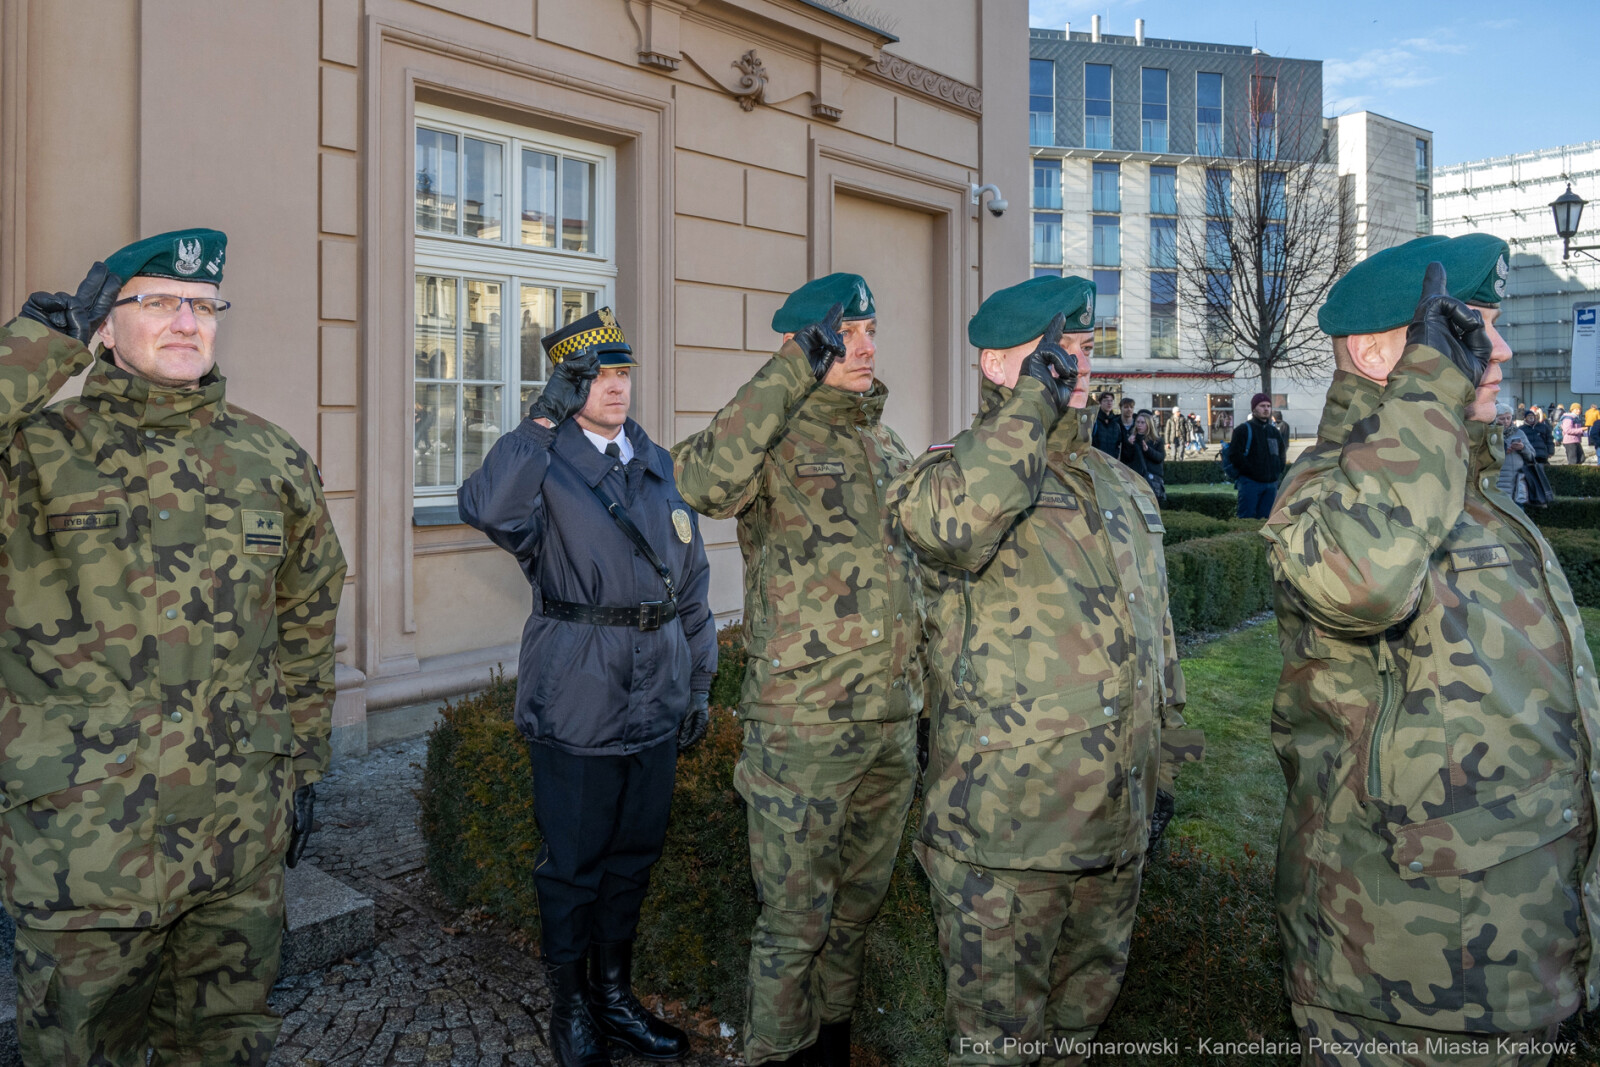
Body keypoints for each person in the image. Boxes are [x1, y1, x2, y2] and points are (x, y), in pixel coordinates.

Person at [0, 230, 347, 1064]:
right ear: (103, 329)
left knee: (225, 1045)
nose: (185, 319)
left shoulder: (269, 457)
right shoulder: (34, 453)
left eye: (202, 304)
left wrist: (300, 764)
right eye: (156, 301)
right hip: (88, 846)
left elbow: (307, 619)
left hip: (238, 837)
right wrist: (36, 351)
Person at [1266, 233, 1600, 1064]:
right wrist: (1428, 386)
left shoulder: (1467, 483)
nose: (1499, 348)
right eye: (1467, 326)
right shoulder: (1331, 487)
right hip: (1407, 979)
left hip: (1514, 953)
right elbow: (1363, 576)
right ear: (1382, 351)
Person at [889, 276, 1202, 1065]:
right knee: (997, 1048)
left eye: (1087, 349)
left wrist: (1161, 777)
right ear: (999, 366)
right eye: (1057, 352)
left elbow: (1157, 644)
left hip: (1114, 829)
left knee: (1077, 1036)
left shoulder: (1124, 487)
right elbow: (957, 526)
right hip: (1006, 840)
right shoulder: (945, 478)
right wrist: (1033, 403)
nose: (1078, 365)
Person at [671, 274, 923, 1067]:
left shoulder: (886, 442)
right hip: (804, 725)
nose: (867, 347)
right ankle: (773, 1052)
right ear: (802, 343)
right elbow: (699, 479)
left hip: (888, 723)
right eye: (845, 334)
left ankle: (829, 1048)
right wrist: (789, 374)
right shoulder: (771, 439)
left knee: (854, 914)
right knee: (793, 923)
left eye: (871, 330)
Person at [459, 309, 717, 1067]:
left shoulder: (657, 461)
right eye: (597, 375)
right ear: (570, 384)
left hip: (657, 693)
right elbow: (485, 506)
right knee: (572, 865)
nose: (615, 387)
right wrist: (541, 414)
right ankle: (570, 1006)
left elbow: (691, 582)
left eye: (622, 372)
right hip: (579, 692)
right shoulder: (543, 464)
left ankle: (614, 996)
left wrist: (698, 682)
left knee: (634, 855)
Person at [1226, 392, 1287, 519]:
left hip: (1271, 484)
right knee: (1246, 518)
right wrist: (1251, 471)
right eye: (1262, 406)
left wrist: (1277, 470)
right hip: (1250, 483)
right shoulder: (1242, 430)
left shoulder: (1273, 432)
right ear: (1254, 409)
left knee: (1267, 520)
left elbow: (1281, 453)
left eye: (1268, 406)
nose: (1266, 409)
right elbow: (1235, 455)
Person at [1119, 408, 1167, 503]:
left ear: (1148, 424)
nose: (1139, 425)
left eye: (1142, 423)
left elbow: (1160, 458)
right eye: (1138, 422)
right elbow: (1126, 459)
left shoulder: (1156, 440)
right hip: (1135, 477)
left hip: (1151, 477)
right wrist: (1129, 445)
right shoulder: (1132, 439)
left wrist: (1148, 450)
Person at [1495, 401, 1532, 505]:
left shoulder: (1519, 433)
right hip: (1497, 481)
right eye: (1502, 418)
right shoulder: (1490, 433)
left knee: (1518, 516)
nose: (1506, 421)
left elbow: (1532, 456)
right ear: (1495, 418)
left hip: (1516, 482)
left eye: (1508, 418)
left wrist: (1523, 448)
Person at [1090, 390, 1121, 456]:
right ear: (1100, 403)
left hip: (1112, 460)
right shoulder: (1094, 420)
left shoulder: (1116, 422)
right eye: (1106, 400)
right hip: (1097, 459)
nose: (1109, 403)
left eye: (1111, 401)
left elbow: (1118, 444)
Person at [1561, 401, 1587, 465]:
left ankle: (1577, 472)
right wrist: (1581, 429)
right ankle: (1572, 473)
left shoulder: (1576, 418)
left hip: (1576, 440)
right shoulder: (1568, 418)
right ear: (1572, 410)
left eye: (1580, 409)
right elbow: (1567, 430)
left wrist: (1582, 432)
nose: (1578, 411)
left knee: (1581, 458)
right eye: (1576, 409)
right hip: (1570, 441)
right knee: (1573, 461)